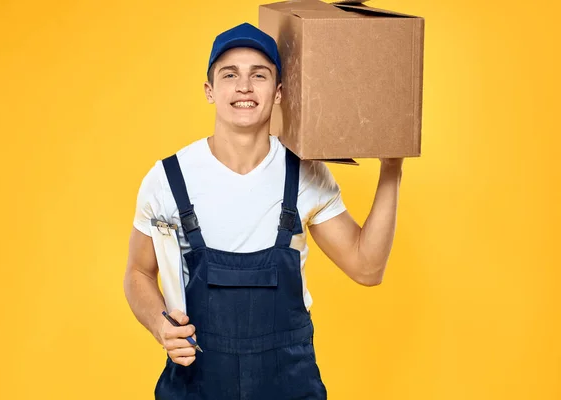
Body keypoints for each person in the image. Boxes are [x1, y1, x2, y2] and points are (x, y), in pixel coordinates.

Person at [124, 22, 403, 399]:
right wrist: (161, 327)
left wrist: (392, 167)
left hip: (288, 384)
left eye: (259, 75)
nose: (244, 87)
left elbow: (367, 268)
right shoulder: (167, 179)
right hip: (197, 383)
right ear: (210, 91)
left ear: (279, 93)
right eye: (229, 75)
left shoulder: (305, 172)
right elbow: (138, 271)